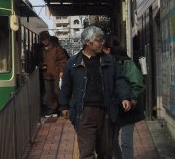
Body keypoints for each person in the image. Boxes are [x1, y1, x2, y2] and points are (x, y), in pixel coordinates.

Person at [59, 26, 132, 159]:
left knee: (106, 152)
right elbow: (66, 87)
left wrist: (124, 97)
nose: (102, 43)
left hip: (106, 112)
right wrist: (64, 106)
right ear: (88, 42)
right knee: (86, 153)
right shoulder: (73, 63)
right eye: (98, 40)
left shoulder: (110, 61)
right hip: (84, 113)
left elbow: (119, 80)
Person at [103, 35, 145, 159]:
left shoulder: (127, 64)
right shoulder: (106, 64)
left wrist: (130, 100)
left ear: (108, 50)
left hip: (129, 110)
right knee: (111, 140)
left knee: (126, 141)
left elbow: (138, 84)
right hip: (114, 109)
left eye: (102, 48)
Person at [40, 31, 67, 116]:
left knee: (57, 91)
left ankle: (61, 107)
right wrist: (42, 65)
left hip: (56, 73)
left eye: (45, 39)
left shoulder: (57, 48)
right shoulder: (41, 50)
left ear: (48, 39)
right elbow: (40, 61)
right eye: (42, 40)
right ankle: (52, 109)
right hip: (46, 74)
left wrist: (62, 71)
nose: (44, 41)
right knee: (49, 93)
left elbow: (63, 60)